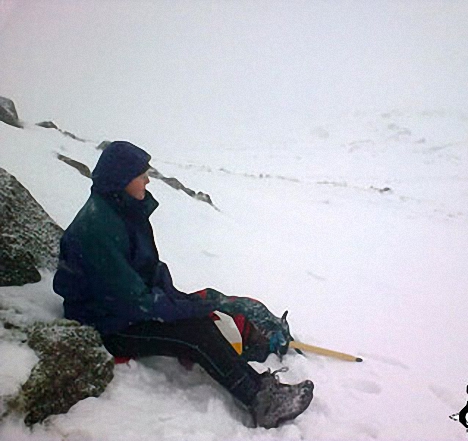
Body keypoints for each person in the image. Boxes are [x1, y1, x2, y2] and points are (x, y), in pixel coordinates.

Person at [53, 141, 313, 428]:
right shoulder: (98, 229)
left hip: (122, 308)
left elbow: (146, 271)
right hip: (106, 324)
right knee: (196, 333)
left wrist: (184, 301)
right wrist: (186, 309)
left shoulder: (122, 211)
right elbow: (135, 302)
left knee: (200, 316)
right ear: (122, 180)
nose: (147, 180)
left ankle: (263, 388)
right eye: (142, 175)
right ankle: (261, 402)